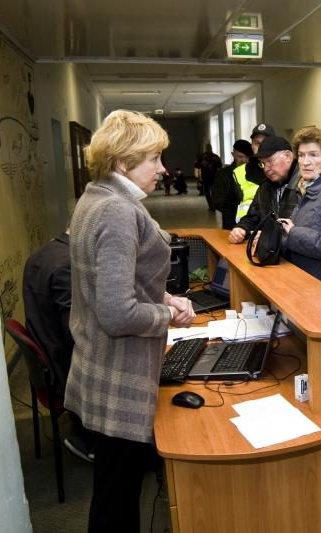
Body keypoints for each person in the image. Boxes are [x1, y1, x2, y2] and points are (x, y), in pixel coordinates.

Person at [64, 110, 195, 532]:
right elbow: (118, 313)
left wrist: (165, 295)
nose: (162, 168)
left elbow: (118, 282)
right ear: (123, 162)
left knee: (113, 492)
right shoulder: (118, 212)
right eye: (154, 158)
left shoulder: (95, 197)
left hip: (99, 365)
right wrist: (168, 315)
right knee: (117, 501)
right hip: (121, 370)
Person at [22, 229, 93, 462]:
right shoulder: (68, 266)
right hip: (65, 371)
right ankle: (94, 442)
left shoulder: (44, 254)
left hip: (49, 359)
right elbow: (78, 335)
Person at [277, 126, 321, 284]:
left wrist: (293, 233)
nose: (305, 162)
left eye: (313, 155)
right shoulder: (304, 187)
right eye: (301, 155)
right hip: (303, 280)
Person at [227, 135, 300, 245]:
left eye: (270, 161)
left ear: (288, 156)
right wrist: (242, 229)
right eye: (263, 163)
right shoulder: (265, 188)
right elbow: (253, 217)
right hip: (270, 251)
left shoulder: (305, 185)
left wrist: (269, 237)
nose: (266, 169)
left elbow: (305, 231)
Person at [232, 123, 274, 221]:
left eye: (265, 142)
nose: (261, 147)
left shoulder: (283, 170)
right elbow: (230, 207)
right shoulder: (239, 172)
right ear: (252, 145)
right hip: (247, 230)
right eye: (257, 143)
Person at [211, 139, 253, 229]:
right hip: (230, 221)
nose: (244, 160)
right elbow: (217, 199)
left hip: (252, 221)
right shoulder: (223, 175)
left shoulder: (255, 174)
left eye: (247, 157)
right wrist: (231, 210)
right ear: (233, 155)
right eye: (240, 157)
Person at [195, 144, 222, 210]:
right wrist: (198, 176)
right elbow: (197, 166)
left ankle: (213, 205)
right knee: (207, 192)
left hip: (213, 177)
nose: (208, 149)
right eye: (208, 148)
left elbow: (219, 166)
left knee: (213, 192)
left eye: (209, 148)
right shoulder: (202, 157)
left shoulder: (215, 157)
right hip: (206, 177)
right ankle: (210, 205)